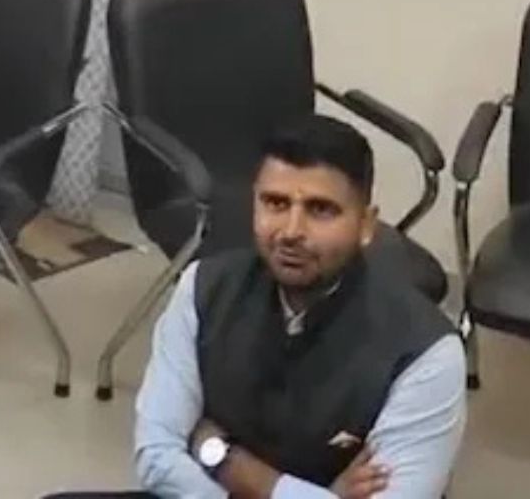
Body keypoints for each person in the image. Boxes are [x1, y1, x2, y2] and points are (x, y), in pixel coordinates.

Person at [131, 114, 467, 498]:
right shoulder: (203, 288)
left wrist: (226, 461)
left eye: (320, 209)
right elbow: (156, 456)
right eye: (275, 203)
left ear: (366, 225)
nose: (291, 232)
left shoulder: (426, 352)